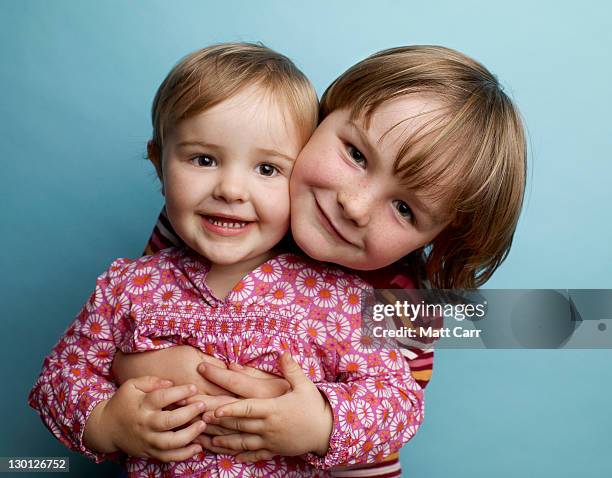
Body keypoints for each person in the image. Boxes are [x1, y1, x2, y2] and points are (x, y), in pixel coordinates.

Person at [112, 44, 528, 476]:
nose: (355, 205)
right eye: (357, 154)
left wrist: (320, 421)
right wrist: (138, 365)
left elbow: (392, 416)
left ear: (439, 240)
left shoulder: (402, 303)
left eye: (405, 209)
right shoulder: (228, 214)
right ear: (325, 113)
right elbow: (130, 317)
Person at [28, 43, 426, 477]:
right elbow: (60, 377)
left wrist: (322, 421)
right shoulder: (130, 284)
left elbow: (398, 403)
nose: (232, 190)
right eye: (204, 159)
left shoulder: (350, 299)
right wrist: (107, 422)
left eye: (267, 169)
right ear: (160, 163)